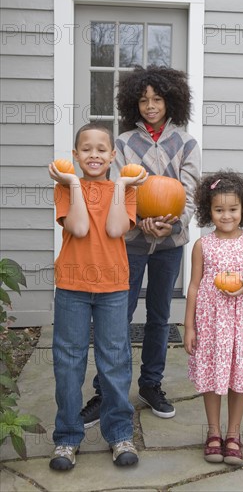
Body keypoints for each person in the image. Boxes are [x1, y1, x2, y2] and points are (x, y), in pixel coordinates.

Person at [81, 66, 201, 425]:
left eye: (157, 99)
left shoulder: (186, 143)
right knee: (117, 317)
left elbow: (190, 193)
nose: (150, 105)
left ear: (171, 101)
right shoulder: (122, 144)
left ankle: (151, 384)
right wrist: (137, 221)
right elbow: (117, 189)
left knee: (160, 317)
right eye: (144, 99)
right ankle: (106, 391)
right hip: (130, 243)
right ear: (134, 104)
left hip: (170, 244)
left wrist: (173, 224)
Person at [48, 123, 146, 471]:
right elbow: (78, 228)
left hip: (114, 287)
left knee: (115, 361)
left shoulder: (126, 188)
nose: (94, 155)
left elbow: (116, 229)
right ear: (76, 155)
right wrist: (73, 183)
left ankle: (119, 434)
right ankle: (67, 437)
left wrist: (120, 186)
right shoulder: (65, 187)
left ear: (112, 156)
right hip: (73, 286)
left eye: (101, 149)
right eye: (86, 149)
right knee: (68, 362)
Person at [184, 170, 243, 465]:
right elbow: (194, 286)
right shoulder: (203, 245)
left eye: (233, 209)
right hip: (212, 323)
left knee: (240, 376)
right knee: (212, 375)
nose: (226, 216)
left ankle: (234, 434)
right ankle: (213, 432)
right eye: (219, 209)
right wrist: (189, 326)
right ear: (208, 211)